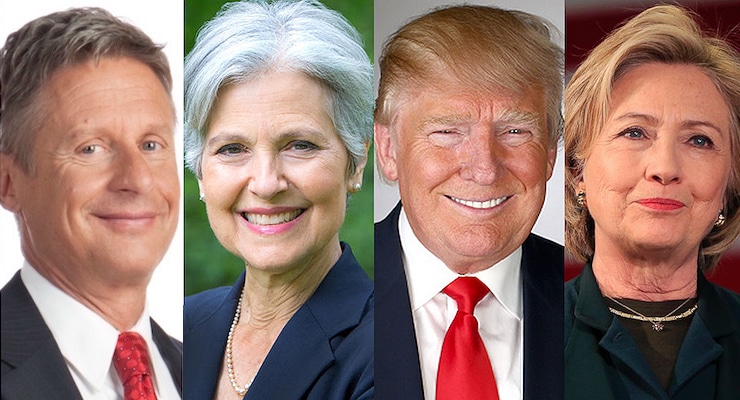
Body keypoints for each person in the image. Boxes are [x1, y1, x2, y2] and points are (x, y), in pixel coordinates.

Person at [182, 0, 373, 399]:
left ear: (355, 163)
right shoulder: (174, 330)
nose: (267, 184)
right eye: (232, 149)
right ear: (199, 171)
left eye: (300, 145)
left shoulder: (384, 353)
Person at [374, 5, 564, 400]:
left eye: (515, 131)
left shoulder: (596, 303)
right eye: (447, 131)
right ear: (388, 149)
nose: (484, 169)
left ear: (549, 153)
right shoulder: (332, 290)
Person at [0, 7, 182, 400]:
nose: (136, 179)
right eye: (91, 148)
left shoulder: (205, 370)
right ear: (8, 182)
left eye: (151, 145)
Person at [564, 5, 740, 399]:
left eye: (699, 140)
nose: (664, 168)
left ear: (729, 185)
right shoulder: (522, 333)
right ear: (578, 171)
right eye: (634, 132)